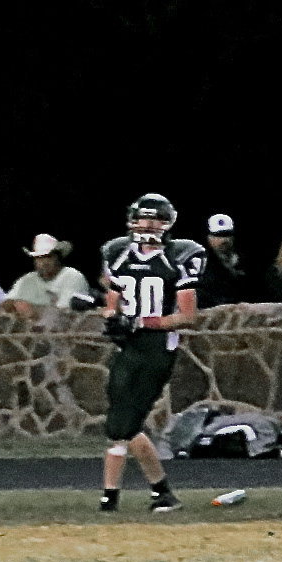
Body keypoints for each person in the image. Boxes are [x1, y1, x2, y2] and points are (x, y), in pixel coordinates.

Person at [97, 193, 204, 513]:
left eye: (154, 219)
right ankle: (158, 493)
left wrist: (142, 321)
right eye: (142, 218)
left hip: (158, 347)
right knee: (124, 425)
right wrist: (112, 319)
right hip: (129, 345)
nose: (147, 225)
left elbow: (187, 316)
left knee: (122, 424)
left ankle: (111, 497)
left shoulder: (180, 256)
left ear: (166, 223)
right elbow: (112, 304)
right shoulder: (117, 253)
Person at [0, 234, 90, 317]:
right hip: (31, 332)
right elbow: (7, 304)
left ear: (58, 258)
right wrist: (11, 305)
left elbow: (65, 313)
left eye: (48, 257)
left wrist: (33, 311)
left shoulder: (72, 276)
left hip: (67, 332)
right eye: (39, 258)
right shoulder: (27, 279)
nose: (44, 262)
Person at [196, 213, 249, 308]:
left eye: (227, 235)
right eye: (218, 235)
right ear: (209, 238)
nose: (224, 240)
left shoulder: (246, 263)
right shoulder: (202, 265)